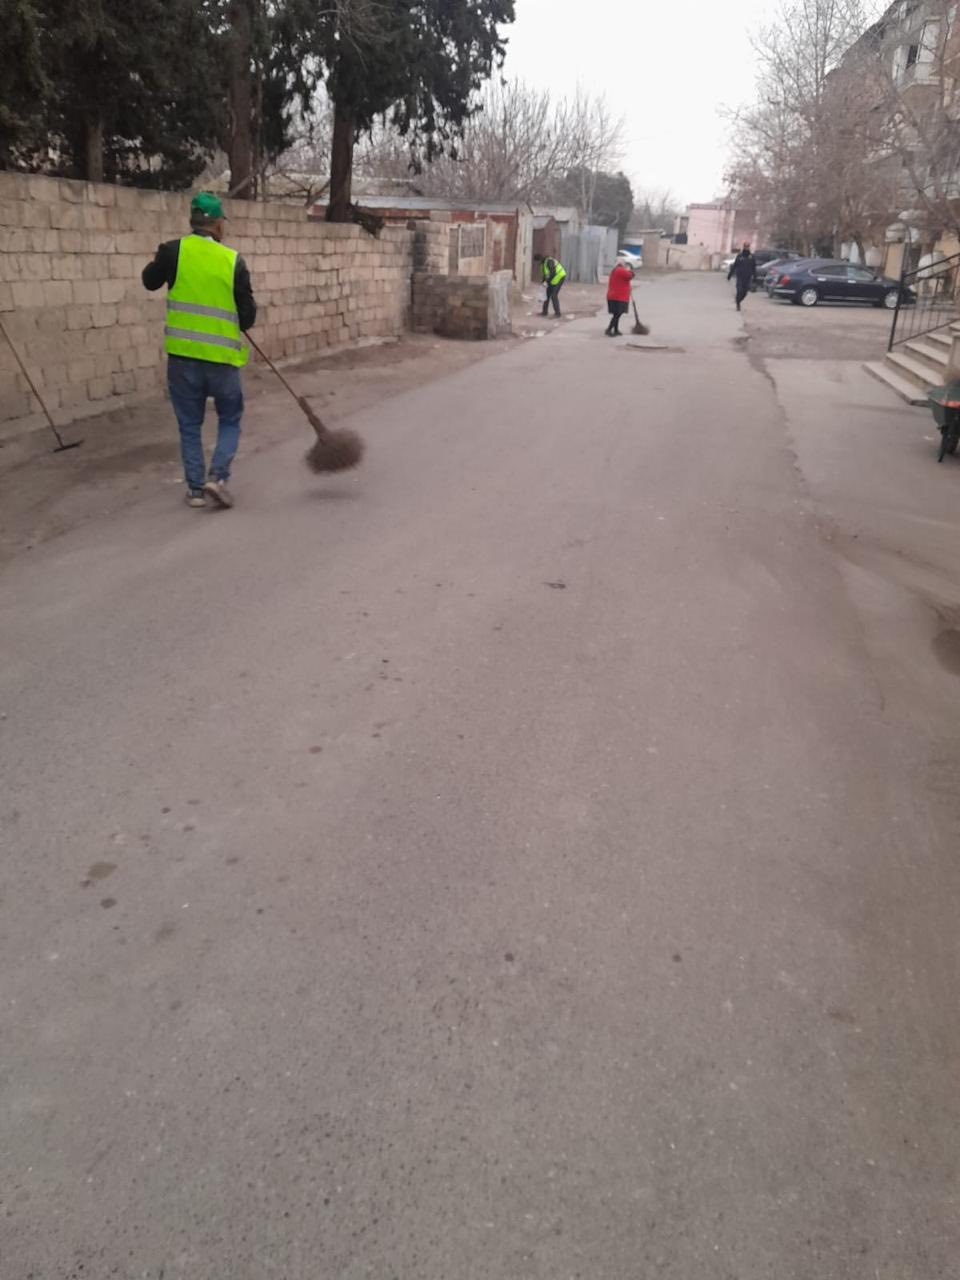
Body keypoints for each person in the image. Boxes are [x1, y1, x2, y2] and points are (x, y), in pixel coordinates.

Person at [142, 192, 256, 509]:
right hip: (221, 360)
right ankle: (217, 477)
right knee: (229, 418)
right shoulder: (233, 261)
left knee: (189, 424)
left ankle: (194, 490)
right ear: (218, 224)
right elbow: (248, 317)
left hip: (183, 359)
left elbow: (149, 281)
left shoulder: (173, 252)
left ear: (193, 221)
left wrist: (161, 260)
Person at [605, 258, 634, 336]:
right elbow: (630, 276)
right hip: (618, 297)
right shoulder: (620, 270)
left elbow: (625, 279)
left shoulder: (615, 270)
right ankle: (609, 329)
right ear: (622, 263)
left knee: (617, 314)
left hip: (614, 296)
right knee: (617, 314)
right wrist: (629, 270)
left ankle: (616, 330)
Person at [534, 253, 567, 317]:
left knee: (554, 295)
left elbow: (553, 272)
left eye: (537, 262)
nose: (537, 264)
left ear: (539, 259)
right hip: (553, 279)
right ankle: (544, 312)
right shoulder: (543, 265)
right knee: (546, 295)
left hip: (560, 276)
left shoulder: (549, 261)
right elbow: (545, 275)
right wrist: (543, 284)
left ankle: (558, 313)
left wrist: (547, 281)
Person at [727, 243, 756, 312]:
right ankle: (738, 304)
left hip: (747, 277)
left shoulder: (751, 257)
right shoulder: (740, 256)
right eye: (745, 246)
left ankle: (738, 300)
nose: (746, 248)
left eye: (747, 246)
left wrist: (755, 277)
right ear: (743, 247)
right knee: (739, 291)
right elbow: (735, 265)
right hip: (740, 276)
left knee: (745, 292)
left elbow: (754, 267)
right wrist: (730, 275)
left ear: (749, 247)